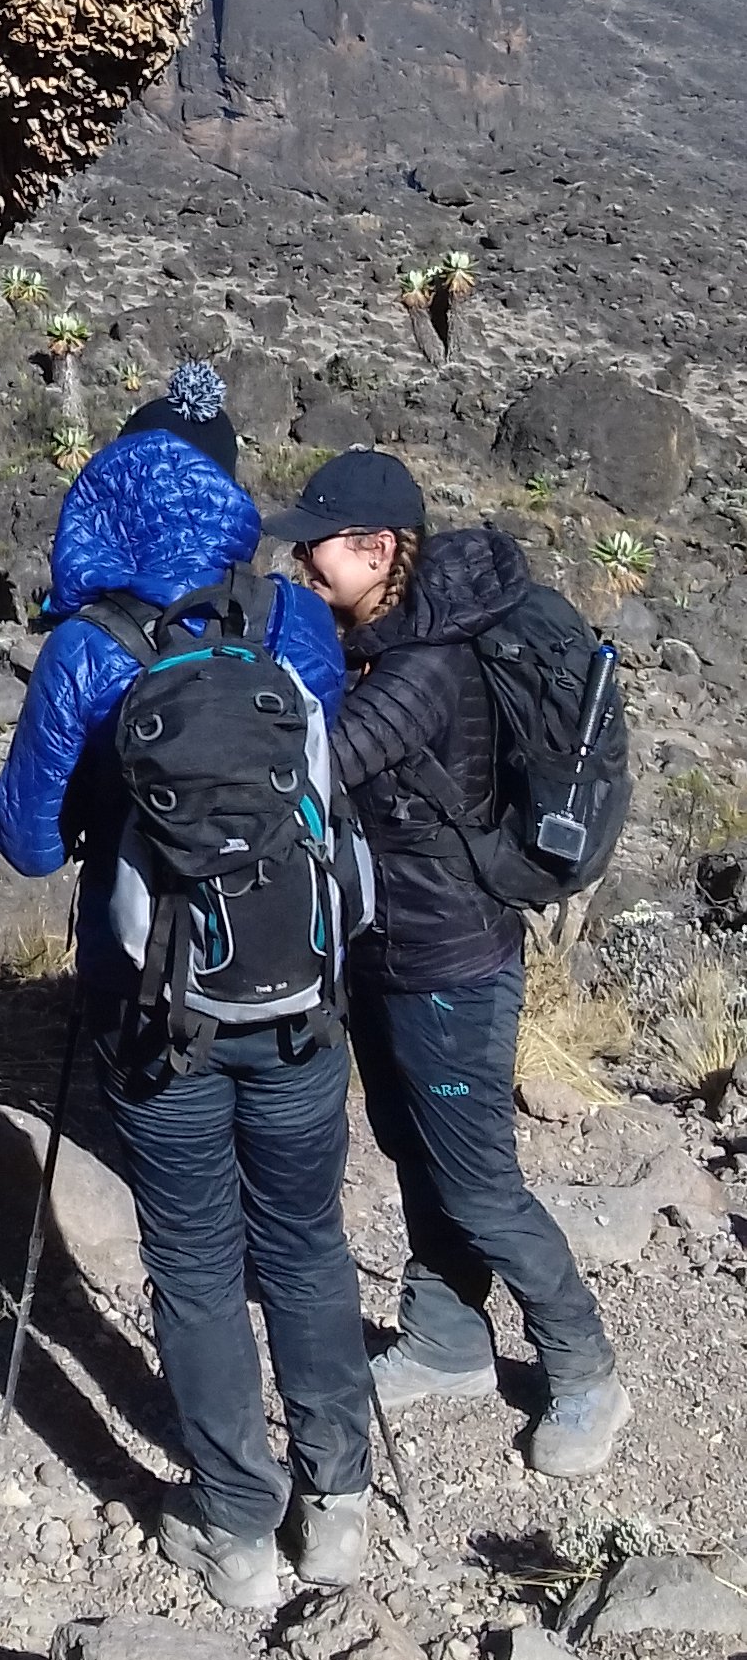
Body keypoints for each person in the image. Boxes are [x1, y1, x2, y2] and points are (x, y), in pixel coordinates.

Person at [0, 363, 376, 1610]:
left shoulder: (89, 648)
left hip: (156, 1015)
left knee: (200, 1264)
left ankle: (237, 1532)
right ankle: (343, 1510)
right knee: (309, 1245)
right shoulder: (286, 618)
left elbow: (28, 843)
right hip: (306, 998)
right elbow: (328, 779)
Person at [264, 448, 630, 1479]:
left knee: (478, 1183)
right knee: (415, 1152)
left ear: (378, 549)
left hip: (453, 962)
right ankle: (445, 1339)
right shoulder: (383, 640)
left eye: (318, 545)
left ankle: (586, 1370)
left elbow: (318, 763)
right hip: (390, 949)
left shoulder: (423, 668)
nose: (302, 563)